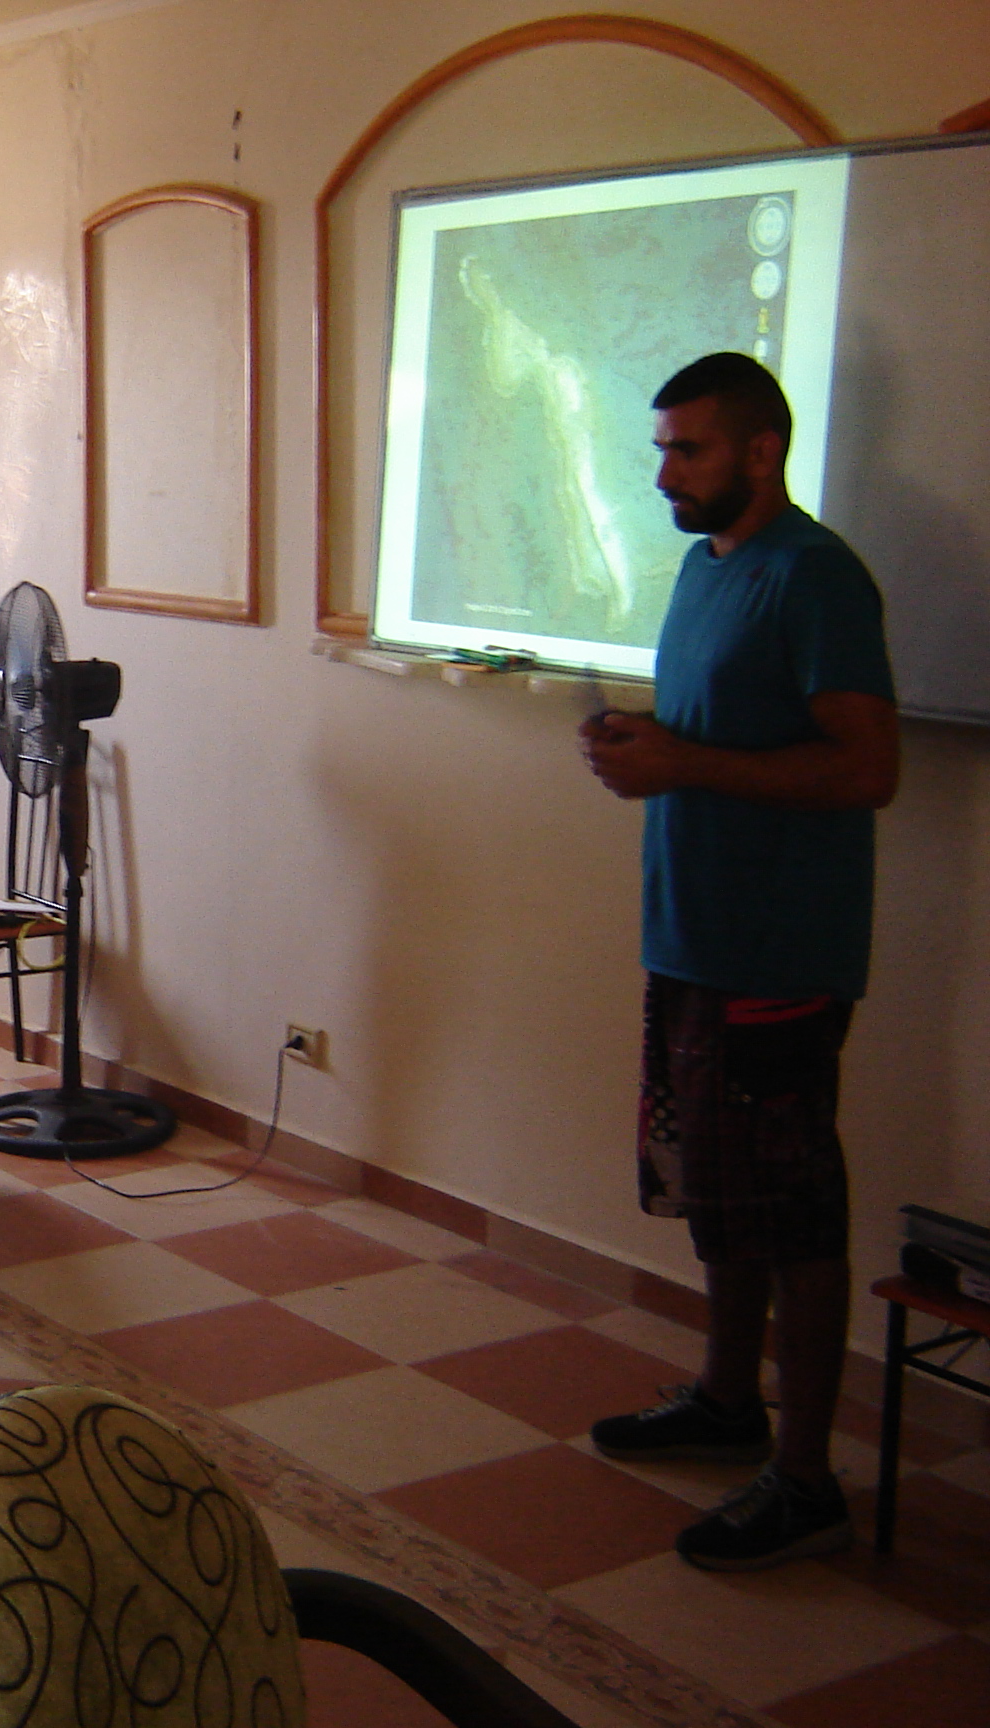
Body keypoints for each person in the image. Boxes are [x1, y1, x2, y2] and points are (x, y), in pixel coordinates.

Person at [579, 352, 899, 1572]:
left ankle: (806, 1476)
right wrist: (645, 745)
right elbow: (716, 735)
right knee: (720, 1188)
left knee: (795, 1210)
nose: (664, 471)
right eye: (661, 448)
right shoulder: (704, 566)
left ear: (760, 451)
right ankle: (726, 1400)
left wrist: (684, 766)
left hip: (782, 953)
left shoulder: (816, 580)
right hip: (694, 940)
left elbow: (869, 771)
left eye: (688, 449)